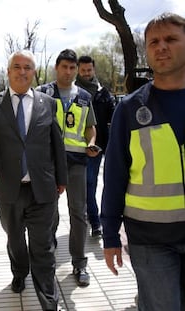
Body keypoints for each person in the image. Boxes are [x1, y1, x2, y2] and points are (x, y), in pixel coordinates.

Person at [0, 50, 67, 311]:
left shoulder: (48, 103)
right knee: (15, 240)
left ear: (34, 72)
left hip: (42, 190)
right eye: (17, 67)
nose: (22, 72)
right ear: (8, 70)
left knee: (43, 247)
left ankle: (49, 302)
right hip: (8, 190)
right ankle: (19, 270)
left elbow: (56, 143)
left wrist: (62, 178)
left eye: (28, 67)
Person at [101, 12, 185, 311]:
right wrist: (109, 233)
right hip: (150, 239)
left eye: (171, 39)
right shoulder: (130, 109)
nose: (161, 47)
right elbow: (114, 176)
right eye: (154, 42)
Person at [36, 49, 99, 287]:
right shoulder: (43, 93)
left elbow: (90, 128)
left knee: (79, 213)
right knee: (50, 213)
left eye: (73, 68)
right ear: (57, 67)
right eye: (65, 67)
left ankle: (79, 263)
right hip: (49, 162)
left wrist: (91, 143)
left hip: (77, 161)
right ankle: (48, 262)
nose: (69, 72)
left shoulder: (84, 96)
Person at [75, 55, 115, 237]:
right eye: (82, 70)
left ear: (94, 70)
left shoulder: (103, 93)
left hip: (96, 148)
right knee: (83, 185)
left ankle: (95, 222)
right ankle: (90, 219)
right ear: (78, 70)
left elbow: (112, 119)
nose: (86, 73)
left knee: (91, 183)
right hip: (74, 147)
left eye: (89, 70)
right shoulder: (72, 93)